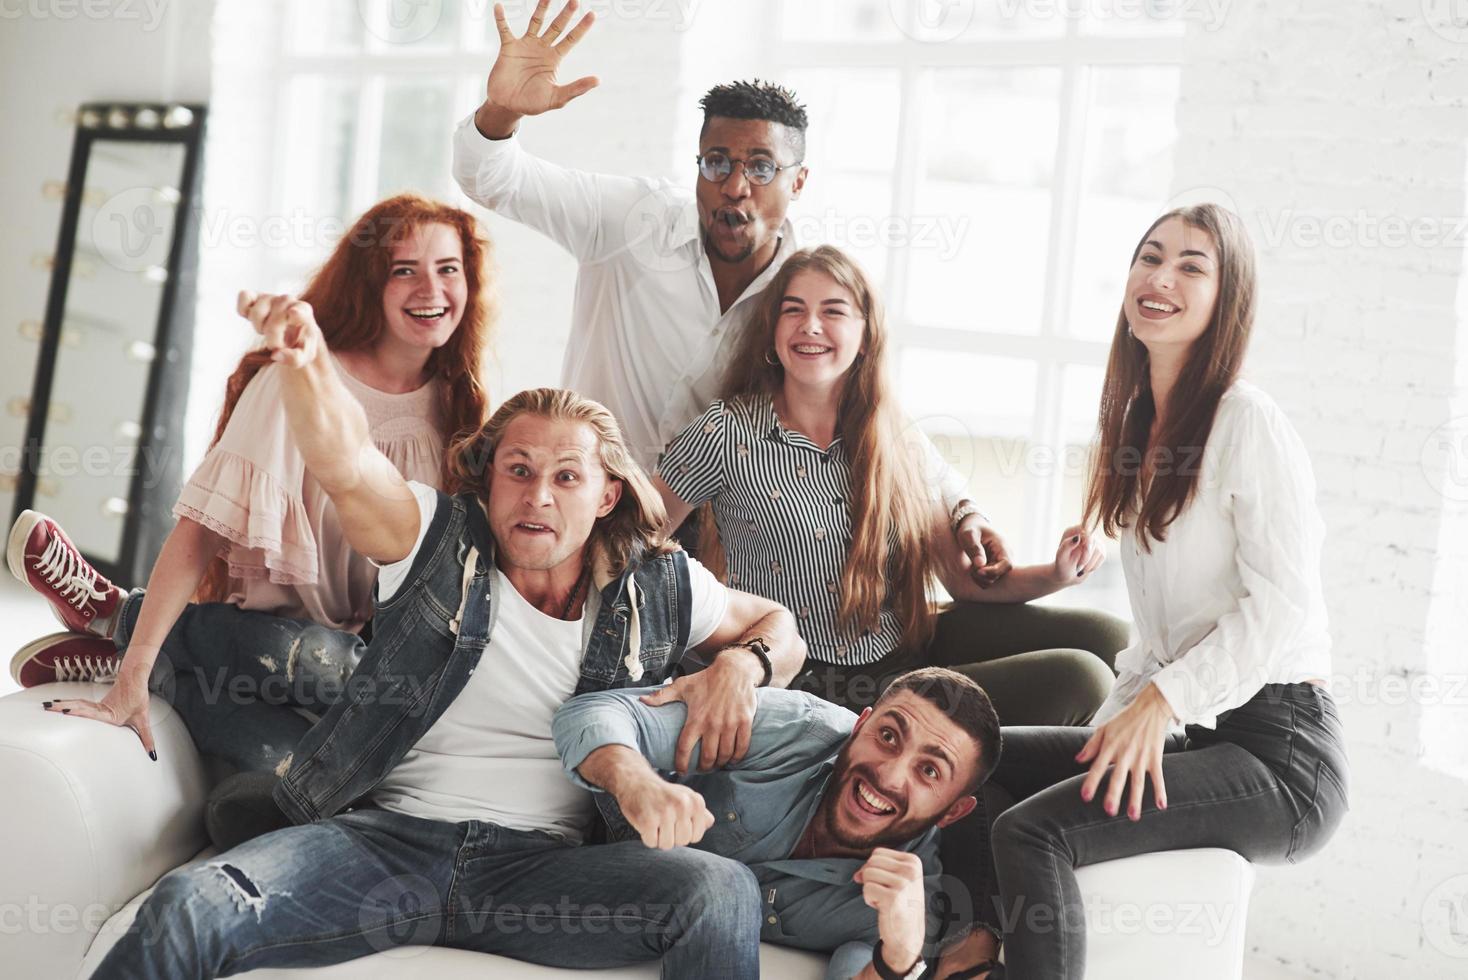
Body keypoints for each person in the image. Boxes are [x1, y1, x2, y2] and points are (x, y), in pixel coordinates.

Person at [91, 284, 806, 978]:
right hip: (385, 847)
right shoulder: (433, 539)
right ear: (489, 480)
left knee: (717, 890)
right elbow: (345, 462)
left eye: (566, 478)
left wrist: (742, 666)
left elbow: (783, 627)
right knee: (191, 903)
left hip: (542, 873)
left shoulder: (659, 583)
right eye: (518, 471)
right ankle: (118, 629)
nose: (537, 497)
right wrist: (308, 364)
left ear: (607, 493)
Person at [454, 0, 1126, 674]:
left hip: (720, 556)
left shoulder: (806, 298)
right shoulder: (630, 218)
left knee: (1094, 646)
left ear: (797, 181)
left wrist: (962, 506)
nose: (734, 186)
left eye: (760, 167)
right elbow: (491, 176)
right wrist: (501, 112)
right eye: (715, 163)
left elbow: (881, 421)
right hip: (607, 520)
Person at [971, 205, 1349, 978]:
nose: (1160, 278)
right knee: (983, 760)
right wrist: (1113, 732)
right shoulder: (1140, 430)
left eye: (1190, 266)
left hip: (1281, 755)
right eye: (1150, 257)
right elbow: (1156, 645)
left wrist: (1163, 703)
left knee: (1032, 831)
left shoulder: (1248, 421)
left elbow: (1282, 608)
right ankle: (970, 952)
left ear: (1226, 298)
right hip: (1195, 731)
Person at [9, 194, 494, 782]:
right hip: (270, 639)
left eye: (447, 269)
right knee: (317, 659)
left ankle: (124, 636)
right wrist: (131, 679)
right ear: (371, 283)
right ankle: (124, 629)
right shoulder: (293, 381)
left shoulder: (461, 407)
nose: (431, 289)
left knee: (302, 773)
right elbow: (201, 532)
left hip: (363, 662)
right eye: (404, 270)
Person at [654, 245, 1116, 728]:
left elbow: (961, 579)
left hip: (906, 651)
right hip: (812, 680)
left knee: (1106, 637)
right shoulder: (725, 430)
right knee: (1081, 679)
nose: (810, 325)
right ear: (772, 332)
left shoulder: (893, 434)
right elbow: (636, 539)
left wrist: (1059, 574)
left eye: (833, 311)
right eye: (794, 310)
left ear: (866, 335)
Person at [554, 667, 1005, 980]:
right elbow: (592, 712)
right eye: (887, 737)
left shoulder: (906, 903)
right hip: (587, 844)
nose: (888, 775)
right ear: (859, 725)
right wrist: (636, 784)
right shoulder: (795, 726)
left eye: (929, 771)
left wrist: (899, 959)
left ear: (951, 812)